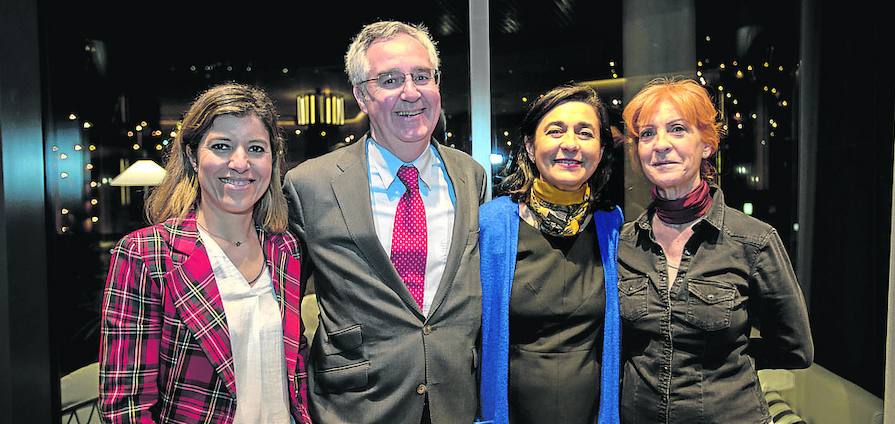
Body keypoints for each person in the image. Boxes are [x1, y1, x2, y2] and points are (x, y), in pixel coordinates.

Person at [282, 21, 487, 423]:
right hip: (354, 407)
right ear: (362, 95)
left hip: (456, 402)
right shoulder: (311, 185)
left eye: (422, 76)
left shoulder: (471, 176)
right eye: (390, 79)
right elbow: (283, 306)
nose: (410, 92)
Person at [99, 83, 311, 423]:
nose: (240, 163)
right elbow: (125, 408)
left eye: (256, 148)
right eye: (222, 146)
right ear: (192, 157)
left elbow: (295, 372)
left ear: (272, 161)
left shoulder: (284, 249)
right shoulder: (145, 255)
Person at [617, 78, 813, 423]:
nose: (660, 145)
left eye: (677, 129)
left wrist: (729, 360)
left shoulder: (753, 240)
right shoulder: (623, 243)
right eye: (648, 134)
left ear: (707, 144)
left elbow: (795, 348)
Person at [478, 84, 622, 424]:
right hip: (509, 415)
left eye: (585, 133)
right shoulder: (491, 225)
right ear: (530, 145)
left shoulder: (612, 226)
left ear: (601, 149)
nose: (569, 144)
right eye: (555, 131)